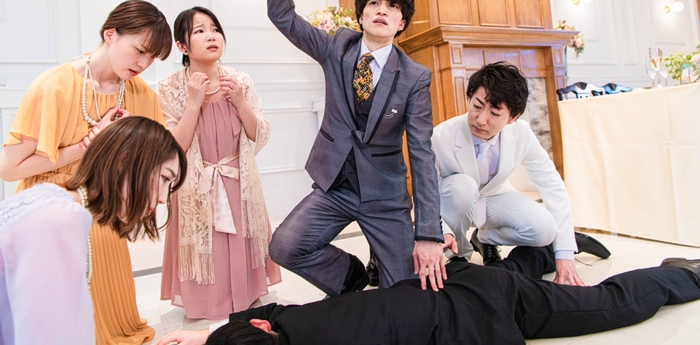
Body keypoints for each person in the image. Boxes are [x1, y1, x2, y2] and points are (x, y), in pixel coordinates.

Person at [265, 0, 443, 296]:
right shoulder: (336, 48)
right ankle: (354, 279)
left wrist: (429, 232)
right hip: (335, 186)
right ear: (361, 15)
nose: (382, 10)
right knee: (285, 246)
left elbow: (422, 154)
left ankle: (388, 263)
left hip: (385, 197)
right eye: (374, 3)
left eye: (393, 7)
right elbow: (283, 16)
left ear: (402, 23)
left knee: (407, 294)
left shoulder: (415, 77)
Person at [0, 0, 172, 344]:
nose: (144, 64)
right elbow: (9, 169)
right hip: (52, 207)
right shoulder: (54, 86)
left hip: (104, 209)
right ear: (110, 34)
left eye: (153, 57)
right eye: (140, 51)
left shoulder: (142, 95)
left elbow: (156, 159)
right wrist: (85, 146)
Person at [156, 248, 700, 345]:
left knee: (611, 304)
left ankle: (684, 275)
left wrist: (207, 336)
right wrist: (205, 335)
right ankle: (536, 251)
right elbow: (269, 313)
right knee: (513, 279)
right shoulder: (294, 323)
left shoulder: (289, 332)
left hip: (480, 306)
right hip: (454, 285)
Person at [0, 116, 187, 345]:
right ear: (124, 160)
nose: (163, 199)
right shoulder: (61, 219)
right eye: (165, 178)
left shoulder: (58, 202)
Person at [432, 61, 609, 286]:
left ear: (512, 118)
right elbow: (427, 193)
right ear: (469, 98)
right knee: (462, 187)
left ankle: (484, 238)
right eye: (477, 105)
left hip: (494, 197)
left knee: (545, 230)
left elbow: (551, 185)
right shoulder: (441, 136)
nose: (481, 119)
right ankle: (459, 252)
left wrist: (564, 254)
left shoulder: (521, 133)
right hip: (454, 199)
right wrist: (442, 231)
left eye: (494, 113)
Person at [158, 6, 281, 319]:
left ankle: (245, 295)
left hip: (238, 181)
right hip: (194, 185)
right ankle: (205, 302)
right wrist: (193, 103)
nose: (211, 36)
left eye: (214, 29)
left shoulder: (239, 81)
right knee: (206, 249)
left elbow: (259, 135)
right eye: (199, 31)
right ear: (182, 46)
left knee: (239, 245)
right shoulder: (170, 87)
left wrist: (239, 101)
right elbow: (172, 148)